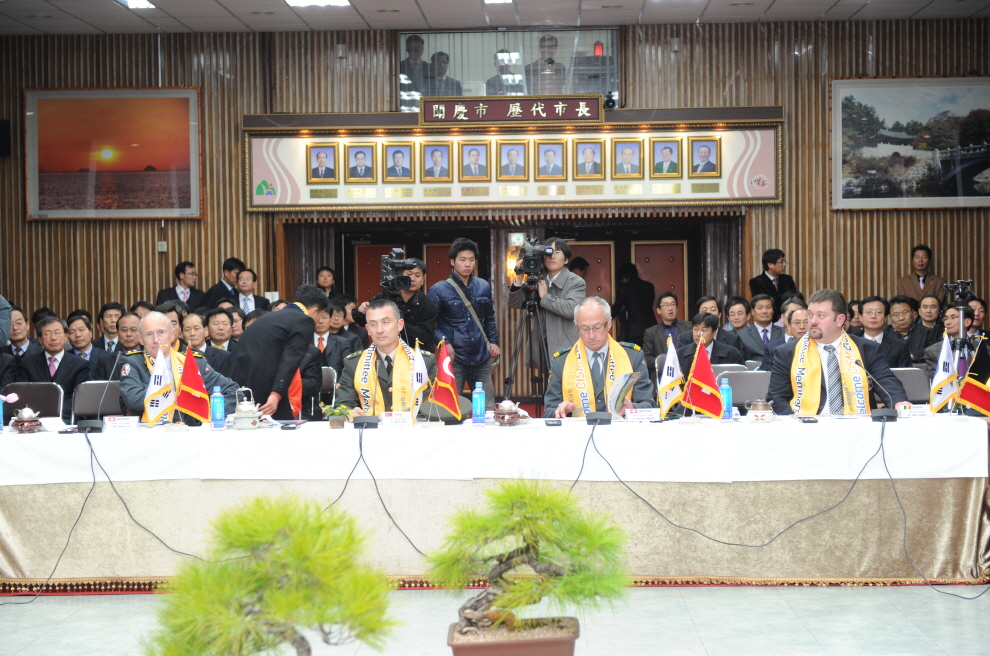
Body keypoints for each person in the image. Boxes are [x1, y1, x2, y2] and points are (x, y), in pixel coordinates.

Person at [768, 289, 908, 415]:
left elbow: (886, 381)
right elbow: (776, 397)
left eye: (821, 316)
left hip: (857, 426)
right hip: (806, 426)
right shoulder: (788, 352)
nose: (812, 321)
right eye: (810, 315)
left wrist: (899, 403)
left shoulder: (866, 349)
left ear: (840, 320)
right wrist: (796, 424)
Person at [335, 299, 463, 420]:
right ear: (368, 330)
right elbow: (343, 405)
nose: (379, 330)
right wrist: (350, 412)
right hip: (371, 430)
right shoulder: (354, 363)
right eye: (373, 324)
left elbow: (433, 405)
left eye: (386, 322)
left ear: (400, 325)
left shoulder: (423, 361)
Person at [223, 284, 328, 420]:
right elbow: (290, 360)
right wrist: (276, 394)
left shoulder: (272, 317)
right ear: (314, 311)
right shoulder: (304, 320)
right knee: (279, 427)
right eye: (321, 315)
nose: (319, 321)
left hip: (236, 378)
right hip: (262, 382)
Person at [118, 312, 238, 424]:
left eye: (161, 333)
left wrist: (209, 411)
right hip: (150, 432)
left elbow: (234, 391)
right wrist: (177, 391)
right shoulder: (133, 362)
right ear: (140, 339)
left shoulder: (192, 362)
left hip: (190, 432)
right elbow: (133, 399)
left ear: (172, 334)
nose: (156, 340)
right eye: (149, 334)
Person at [544, 297, 655, 418]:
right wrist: (561, 411)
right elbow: (549, 411)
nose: (591, 336)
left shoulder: (632, 356)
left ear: (609, 323)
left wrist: (632, 408)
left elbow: (649, 405)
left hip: (620, 428)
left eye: (597, 327)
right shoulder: (561, 362)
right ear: (576, 326)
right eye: (584, 329)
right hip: (579, 430)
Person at [428, 238, 500, 410]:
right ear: (452, 262)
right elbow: (430, 324)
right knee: (450, 408)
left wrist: (493, 342)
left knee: (487, 409)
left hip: (481, 357)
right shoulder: (438, 290)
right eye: (462, 259)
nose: (468, 264)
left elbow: (489, 317)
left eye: (471, 260)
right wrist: (444, 343)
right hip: (455, 359)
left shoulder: (483, 286)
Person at [507, 237, 585, 369]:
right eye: (548, 252)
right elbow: (514, 303)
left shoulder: (575, 282)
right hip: (541, 347)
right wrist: (519, 278)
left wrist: (545, 296)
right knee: (546, 382)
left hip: (566, 348)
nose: (552, 256)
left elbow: (571, 309)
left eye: (558, 252)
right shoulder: (538, 280)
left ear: (566, 260)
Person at [353, 258, 438, 352]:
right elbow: (360, 320)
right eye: (409, 275)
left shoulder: (428, 304)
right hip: (386, 352)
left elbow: (424, 335)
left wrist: (396, 325)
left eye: (417, 276)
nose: (413, 279)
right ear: (400, 277)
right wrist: (361, 310)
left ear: (422, 280)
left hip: (417, 354)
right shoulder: (386, 296)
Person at [16, 316, 91, 421]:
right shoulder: (27, 364)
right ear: (40, 340)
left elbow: (79, 398)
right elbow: (24, 396)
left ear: (66, 336)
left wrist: (55, 415)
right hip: (36, 420)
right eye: (47, 334)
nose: (53, 338)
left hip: (68, 420)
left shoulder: (80, 364)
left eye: (57, 332)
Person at [642, 291, 692, 384]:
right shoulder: (651, 332)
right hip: (662, 379)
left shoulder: (689, 327)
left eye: (673, 304)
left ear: (677, 308)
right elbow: (647, 358)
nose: (670, 308)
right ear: (659, 310)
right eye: (666, 305)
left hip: (685, 378)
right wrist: (666, 363)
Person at [923, 305, 979, 381]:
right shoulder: (933, 351)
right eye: (945, 319)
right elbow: (935, 382)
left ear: (967, 322)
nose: (947, 322)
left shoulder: (982, 349)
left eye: (953, 317)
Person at [676, 313, 745, 373]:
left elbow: (740, 378)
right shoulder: (680, 354)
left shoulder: (732, 354)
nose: (698, 334)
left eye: (704, 330)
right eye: (696, 329)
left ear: (714, 333)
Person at [854, 296, 911, 368]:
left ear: (885, 318)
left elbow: (905, 373)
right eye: (869, 312)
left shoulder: (900, 347)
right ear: (860, 317)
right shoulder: (851, 344)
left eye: (878, 312)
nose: (873, 316)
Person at [611, 263, 656, 347]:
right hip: (651, 327)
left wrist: (604, 318)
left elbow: (617, 308)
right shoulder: (649, 286)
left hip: (634, 331)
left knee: (634, 354)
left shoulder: (624, 289)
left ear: (624, 277)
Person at [677, 297, 742, 351]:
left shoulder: (732, 339)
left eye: (712, 309)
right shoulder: (685, 338)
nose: (708, 313)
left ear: (719, 314)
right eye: (704, 310)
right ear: (698, 315)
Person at [93, 312, 142, 380]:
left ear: (141, 332)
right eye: (124, 330)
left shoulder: (150, 358)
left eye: (133, 329)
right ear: (118, 332)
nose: (128, 334)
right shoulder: (105, 361)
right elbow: (100, 386)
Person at [760, 305, 809, 372]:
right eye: (797, 322)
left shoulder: (820, 348)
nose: (802, 326)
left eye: (806, 322)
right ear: (789, 327)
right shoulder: (780, 352)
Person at [748, 248, 797, 314]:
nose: (784, 265)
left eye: (784, 262)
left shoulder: (788, 279)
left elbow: (794, 297)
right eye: (781, 262)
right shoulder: (756, 282)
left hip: (787, 315)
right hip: (768, 316)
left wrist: (775, 298)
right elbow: (763, 301)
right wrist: (785, 297)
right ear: (770, 265)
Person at [887, 295, 932, 362]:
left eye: (905, 313)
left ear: (913, 313)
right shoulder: (884, 333)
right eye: (896, 314)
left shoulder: (928, 332)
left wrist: (915, 355)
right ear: (890, 317)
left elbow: (935, 349)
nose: (901, 318)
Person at [311, 307, 347, 375]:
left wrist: (339, 381)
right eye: (318, 318)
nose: (321, 321)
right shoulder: (305, 342)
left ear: (331, 320)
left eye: (324, 317)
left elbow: (348, 368)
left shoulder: (342, 343)